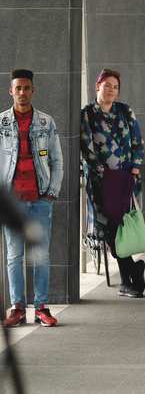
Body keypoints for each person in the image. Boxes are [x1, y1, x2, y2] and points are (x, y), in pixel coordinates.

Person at [2, 70, 63, 327]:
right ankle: (17, 308)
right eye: (18, 88)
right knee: (14, 255)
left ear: (33, 90)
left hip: (39, 199)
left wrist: (51, 193)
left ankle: (41, 307)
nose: (23, 93)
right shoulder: (1, 122)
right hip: (12, 200)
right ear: (11, 91)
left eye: (27, 88)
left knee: (41, 255)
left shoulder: (46, 123)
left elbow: (57, 161)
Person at [81, 69, 145, 299]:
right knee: (110, 229)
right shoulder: (88, 114)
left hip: (127, 181)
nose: (111, 90)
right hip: (103, 184)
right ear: (97, 86)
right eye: (106, 85)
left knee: (120, 227)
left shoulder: (125, 110)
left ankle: (129, 279)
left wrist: (135, 171)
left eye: (115, 87)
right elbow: (88, 149)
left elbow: (138, 143)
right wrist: (105, 175)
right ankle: (132, 274)